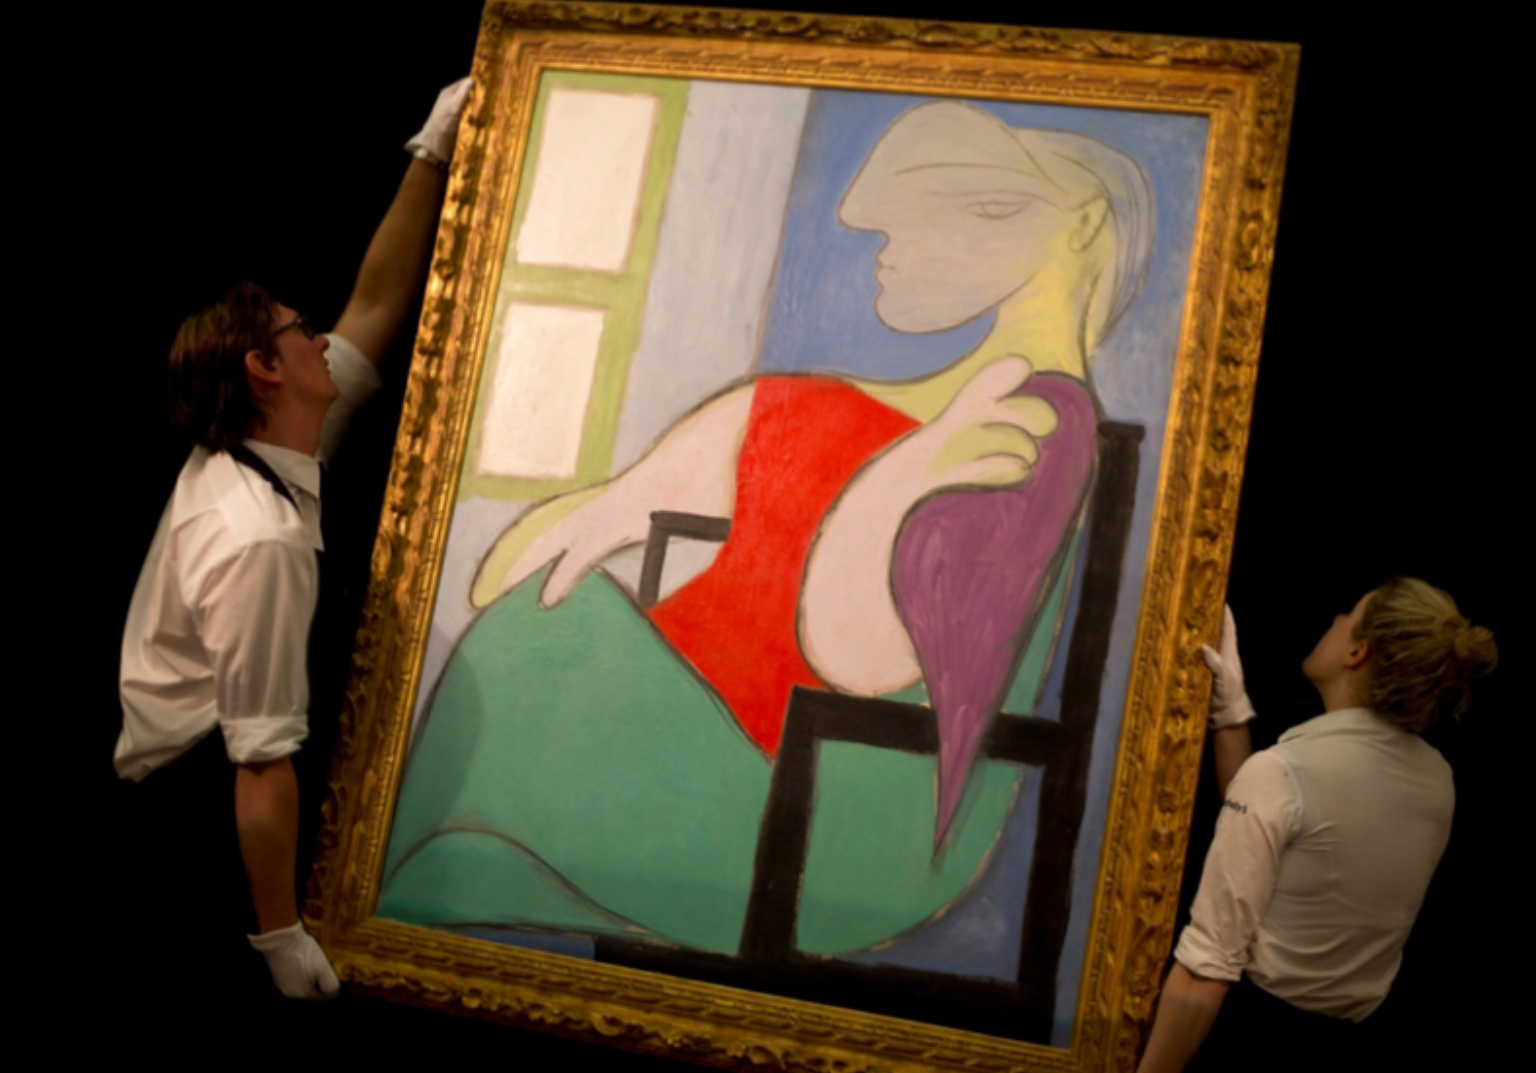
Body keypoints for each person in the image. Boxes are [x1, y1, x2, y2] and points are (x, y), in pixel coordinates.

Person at [378, 100, 1155, 956]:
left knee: (533, 644)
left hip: (833, 808)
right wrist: (614, 508)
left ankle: (399, 930)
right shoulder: (819, 409)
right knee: (538, 629)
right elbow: (512, 570)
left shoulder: (1030, 424)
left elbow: (855, 658)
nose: (890, 249)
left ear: (1081, 227)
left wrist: (900, 479)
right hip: (736, 739)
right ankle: (403, 927)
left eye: (983, 207)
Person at [114, 77, 471, 1007]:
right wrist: (278, 933)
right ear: (264, 369)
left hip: (230, 775)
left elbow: (376, 302)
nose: (320, 336)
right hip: (205, 810)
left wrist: (429, 151)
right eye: (298, 330)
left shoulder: (263, 443)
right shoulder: (255, 535)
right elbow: (261, 760)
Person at [1136, 580, 1498, 1072]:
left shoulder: (1284, 774)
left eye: (1349, 613)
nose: (1335, 619)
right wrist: (1232, 715)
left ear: (1356, 652)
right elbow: (1291, 848)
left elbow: (1205, 974)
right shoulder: (1438, 782)